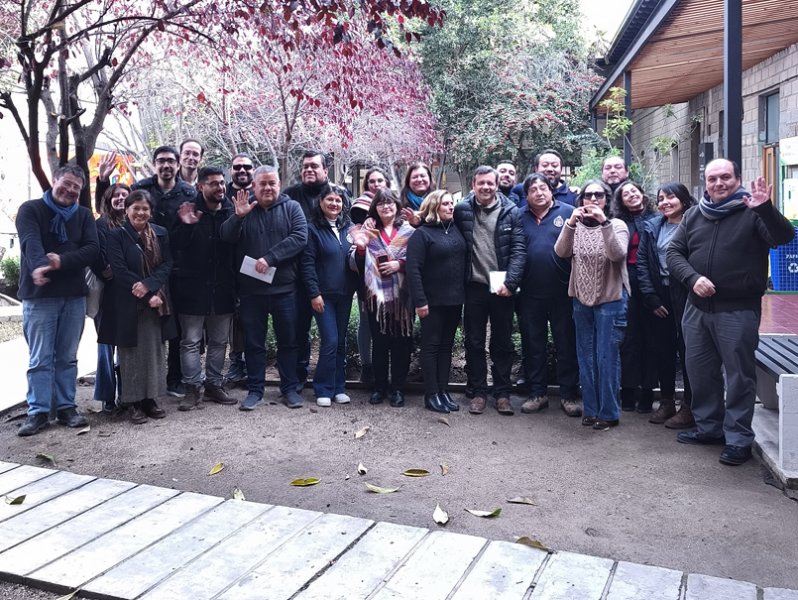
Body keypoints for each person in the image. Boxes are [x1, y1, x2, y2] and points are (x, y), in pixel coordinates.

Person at [668, 159, 795, 465]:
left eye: (725, 177)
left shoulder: (753, 211)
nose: (719, 183)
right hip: (696, 310)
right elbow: (674, 252)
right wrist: (692, 278)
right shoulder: (694, 215)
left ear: (737, 179)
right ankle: (709, 428)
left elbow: (784, 237)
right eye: (713, 178)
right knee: (700, 373)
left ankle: (738, 439)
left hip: (737, 311)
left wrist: (766, 208)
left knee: (739, 377)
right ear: (706, 182)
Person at [16, 164, 99, 437]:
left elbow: (92, 250)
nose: (70, 190)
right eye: (67, 183)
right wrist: (40, 265)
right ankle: (38, 411)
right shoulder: (31, 209)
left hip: (73, 296)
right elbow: (31, 241)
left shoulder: (84, 215)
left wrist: (61, 260)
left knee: (67, 357)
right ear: (54, 180)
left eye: (77, 187)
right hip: (40, 297)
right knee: (40, 358)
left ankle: (66, 407)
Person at [220, 166, 307, 410]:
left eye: (272, 183)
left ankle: (289, 389)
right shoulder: (244, 208)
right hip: (251, 292)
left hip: (285, 290)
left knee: (288, 342)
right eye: (263, 184)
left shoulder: (292, 208)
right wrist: (238, 217)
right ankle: (255, 390)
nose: (268, 188)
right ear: (254, 186)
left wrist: (270, 258)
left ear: (279, 185)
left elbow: (300, 237)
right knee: (254, 343)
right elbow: (226, 237)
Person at [555, 179, 629, 430]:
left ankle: (609, 413)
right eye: (588, 195)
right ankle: (591, 409)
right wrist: (570, 223)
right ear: (582, 200)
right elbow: (561, 251)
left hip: (611, 298)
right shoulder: (575, 226)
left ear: (607, 200)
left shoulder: (617, 224)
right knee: (585, 355)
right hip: (581, 298)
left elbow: (617, 254)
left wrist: (604, 223)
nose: (594, 199)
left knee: (606, 356)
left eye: (599, 195)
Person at [99, 190, 175, 424]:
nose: (140, 212)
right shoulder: (116, 236)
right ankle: (132, 402)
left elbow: (167, 264)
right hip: (127, 302)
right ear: (127, 210)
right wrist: (146, 294)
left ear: (151, 211)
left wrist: (150, 287)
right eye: (136, 208)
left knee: (153, 352)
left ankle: (150, 399)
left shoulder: (160, 233)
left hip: (156, 302)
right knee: (130, 354)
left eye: (145, 208)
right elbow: (119, 270)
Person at [453, 165, 525, 415]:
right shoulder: (462, 209)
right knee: (474, 341)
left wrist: (511, 283)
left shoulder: (510, 211)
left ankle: (502, 393)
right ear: (473, 185)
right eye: (481, 183)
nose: (485, 187)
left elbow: (518, 250)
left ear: (496, 185)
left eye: (490, 183)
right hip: (474, 284)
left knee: (502, 341)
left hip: (500, 284)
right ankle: (479, 391)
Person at [132, 145, 197, 398]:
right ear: (154, 163)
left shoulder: (189, 193)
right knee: (147, 325)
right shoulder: (142, 189)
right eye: (161, 161)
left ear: (178, 164)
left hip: (180, 268)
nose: (166, 165)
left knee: (176, 327)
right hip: (145, 267)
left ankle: (175, 378)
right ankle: (147, 381)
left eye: (171, 161)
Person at [284, 150, 351, 393]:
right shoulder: (290, 195)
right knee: (298, 331)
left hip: (333, 285)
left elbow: (350, 238)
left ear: (325, 170)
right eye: (305, 166)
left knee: (335, 338)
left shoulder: (339, 195)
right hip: (297, 278)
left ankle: (335, 382)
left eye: (314, 166)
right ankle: (297, 379)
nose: (309, 170)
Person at [171, 166, 237, 410]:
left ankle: (214, 385)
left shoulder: (231, 211)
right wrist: (188, 225)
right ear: (200, 186)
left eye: (222, 183)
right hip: (192, 290)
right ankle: (191, 388)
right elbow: (174, 247)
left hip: (223, 289)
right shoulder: (187, 210)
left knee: (219, 342)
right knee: (190, 341)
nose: (220, 187)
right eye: (214, 183)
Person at [517, 173, 580, 417]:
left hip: (563, 293)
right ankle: (537, 394)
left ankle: (568, 395)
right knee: (533, 345)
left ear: (551, 190)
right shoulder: (518, 216)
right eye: (533, 189)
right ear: (526, 195)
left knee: (566, 345)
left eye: (543, 188)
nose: (539, 193)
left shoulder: (568, 212)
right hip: (529, 293)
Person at [637, 182, 696, 427]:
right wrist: (650, 296)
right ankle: (667, 401)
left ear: (683, 199)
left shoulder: (695, 224)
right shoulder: (653, 227)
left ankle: (689, 406)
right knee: (663, 349)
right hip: (660, 293)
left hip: (687, 293)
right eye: (660, 199)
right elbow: (642, 262)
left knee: (689, 350)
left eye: (670, 197)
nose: (664, 202)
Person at [350, 189, 415, 407]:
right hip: (376, 298)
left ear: (397, 206)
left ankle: (397, 388)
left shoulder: (409, 231)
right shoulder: (368, 232)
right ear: (374, 208)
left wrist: (400, 264)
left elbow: (419, 259)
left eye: (389, 203)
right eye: (380, 203)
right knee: (379, 343)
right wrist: (361, 249)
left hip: (403, 298)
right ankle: (379, 387)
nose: (385, 207)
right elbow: (355, 264)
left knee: (401, 343)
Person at [406, 190, 466, 414]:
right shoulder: (422, 234)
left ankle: (443, 390)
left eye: (452, 203)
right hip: (431, 302)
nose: (451, 207)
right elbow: (413, 269)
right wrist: (420, 301)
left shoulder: (456, 229)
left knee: (446, 347)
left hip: (454, 300)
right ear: (434, 207)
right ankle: (431, 394)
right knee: (431, 346)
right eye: (446, 204)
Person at [301, 187, 358, 407]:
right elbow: (307, 264)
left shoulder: (348, 228)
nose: (334, 204)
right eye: (330, 200)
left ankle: (338, 387)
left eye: (338, 200)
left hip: (345, 294)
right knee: (330, 340)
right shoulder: (312, 229)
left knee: (340, 341)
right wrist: (313, 293)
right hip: (323, 296)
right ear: (321, 202)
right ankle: (323, 388)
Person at [612, 180, 658, 413]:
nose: (631, 195)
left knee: (651, 338)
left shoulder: (657, 219)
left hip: (651, 282)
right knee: (629, 338)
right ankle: (628, 390)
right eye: (625, 194)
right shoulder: (618, 223)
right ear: (621, 201)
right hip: (626, 280)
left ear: (642, 193)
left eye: (634, 191)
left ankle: (648, 391)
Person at [91, 179, 130, 414]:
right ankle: (107, 396)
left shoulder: (137, 224)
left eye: (125, 195)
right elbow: (98, 254)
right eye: (116, 195)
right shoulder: (101, 224)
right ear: (109, 199)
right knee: (105, 347)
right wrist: (106, 269)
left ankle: (127, 393)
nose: (120, 198)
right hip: (107, 293)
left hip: (129, 294)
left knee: (126, 347)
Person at [351, 166, 391, 385]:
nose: (376, 184)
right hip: (367, 274)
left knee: (390, 321)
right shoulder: (360, 207)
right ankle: (367, 367)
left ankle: (386, 369)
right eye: (372, 181)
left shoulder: (393, 205)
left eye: (380, 180)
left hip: (391, 274)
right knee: (366, 321)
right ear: (366, 184)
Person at [224, 153, 255, 388]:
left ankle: (253, 364)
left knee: (253, 316)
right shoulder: (222, 194)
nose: (242, 170)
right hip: (228, 264)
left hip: (256, 263)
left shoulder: (261, 194)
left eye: (246, 167)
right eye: (237, 167)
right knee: (235, 318)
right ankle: (236, 362)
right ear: (230, 170)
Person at [511, 149, 577, 208]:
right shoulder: (521, 190)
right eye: (545, 165)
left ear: (561, 169)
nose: (550, 169)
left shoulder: (573, 195)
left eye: (554, 165)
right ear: (536, 169)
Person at [399, 162, 433, 226]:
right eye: (415, 177)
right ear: (408, 181)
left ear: (429, 179)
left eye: (422, 176)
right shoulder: (399, 204)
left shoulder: (440, 201)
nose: (419, 179)